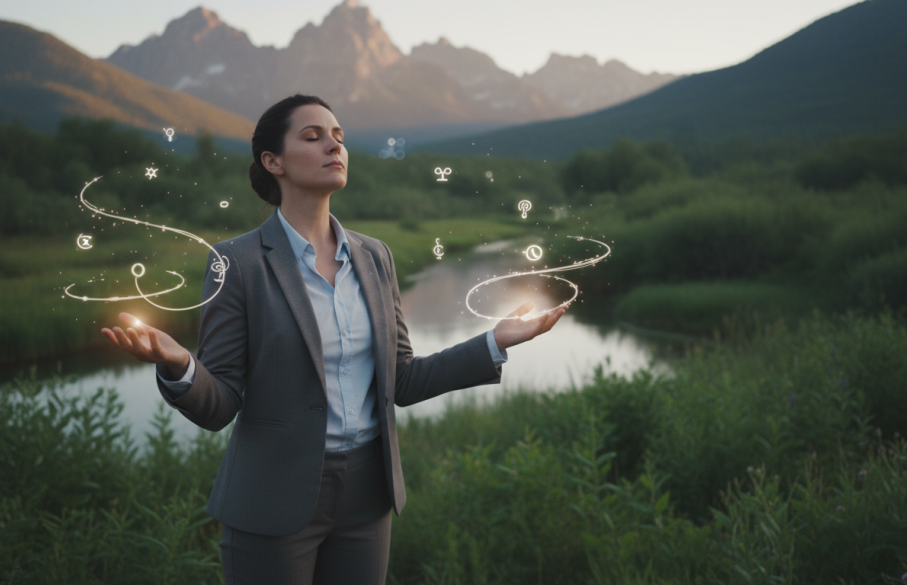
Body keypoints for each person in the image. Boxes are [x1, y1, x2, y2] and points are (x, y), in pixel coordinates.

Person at [101, 94, 566, 584]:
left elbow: (402, 380)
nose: (334, 146)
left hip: (368, 496)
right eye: (313, 136)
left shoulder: (375, 256)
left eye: (339, 137)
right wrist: (179, 366)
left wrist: (494, 341)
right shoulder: (236, 264)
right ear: (272, 161)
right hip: (272, 498)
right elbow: (219, 406)